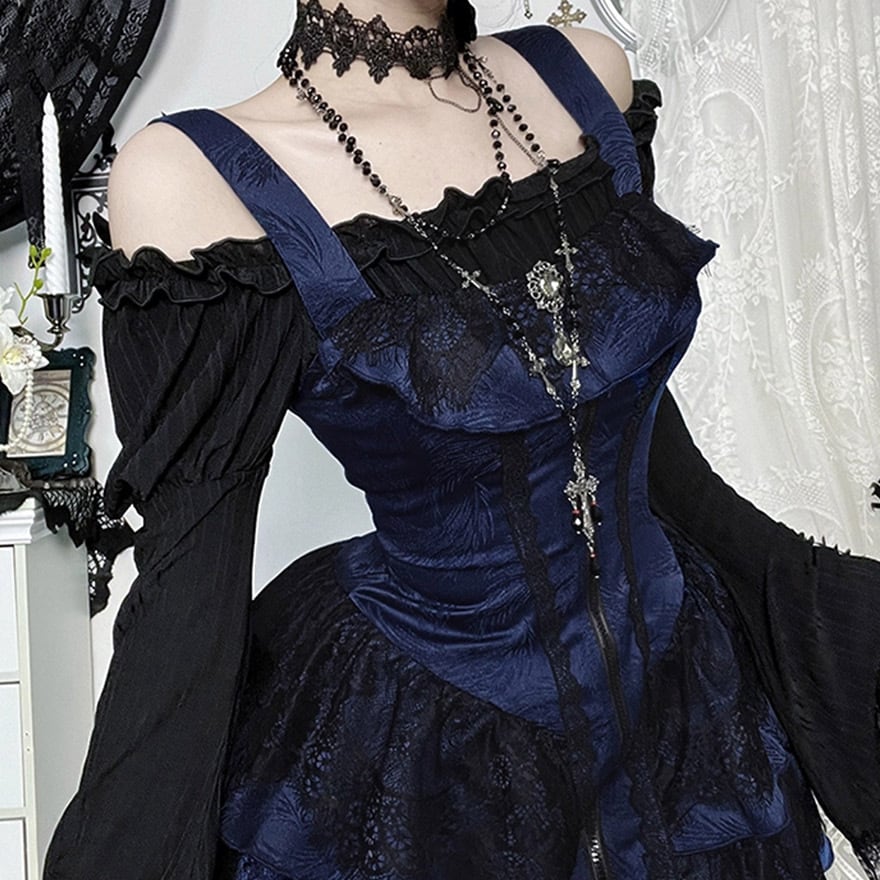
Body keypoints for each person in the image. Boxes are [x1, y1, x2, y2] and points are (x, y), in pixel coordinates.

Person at [43, 1, 880, 879]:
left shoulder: (583, 77)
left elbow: (658, 468)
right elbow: (187, 606)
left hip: (688, 731)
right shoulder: (195, 181)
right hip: (439, 774)